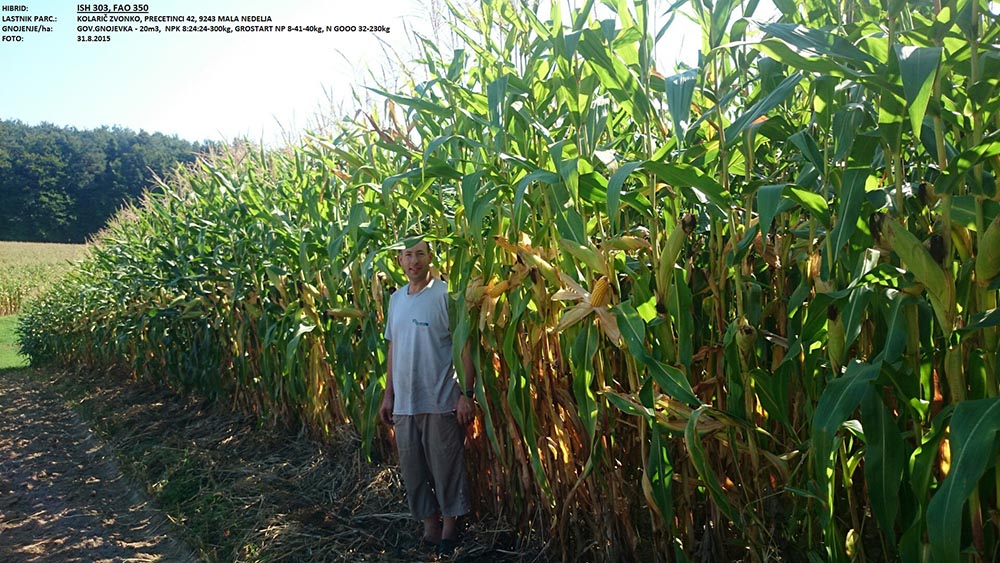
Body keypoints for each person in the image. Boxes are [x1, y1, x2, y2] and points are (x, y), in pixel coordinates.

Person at [379, 235, 475, 554]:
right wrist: (388, 394)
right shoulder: (396, 299)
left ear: (431, 257)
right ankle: (429, 527)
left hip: (440, 398)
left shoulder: (446, 296)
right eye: (408, 255)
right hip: (405, 402)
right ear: (399, 260)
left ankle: (450, 530)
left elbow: (463, 347)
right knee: (413, 470)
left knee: (446, 466)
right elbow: (394, 348)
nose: (414, 261)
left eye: (420, 254)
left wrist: (466, 394)